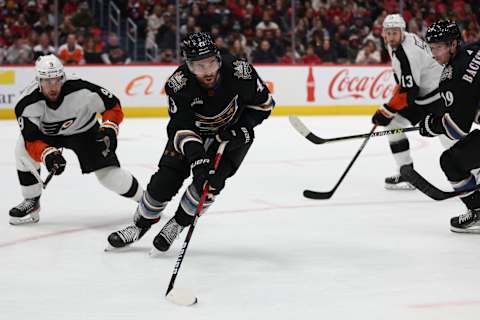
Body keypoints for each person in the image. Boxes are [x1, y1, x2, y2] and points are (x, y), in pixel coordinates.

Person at [107, 32, 274, 252]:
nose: (208, 72)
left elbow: (265, 105)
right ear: (188, 66)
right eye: (199, 67)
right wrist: (198, 159)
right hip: (191, 138)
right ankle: (139, 226)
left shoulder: (240, 72)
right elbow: (180, 127)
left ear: (218, 58)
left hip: (231, 137)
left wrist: (239, 129)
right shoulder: (179, 84)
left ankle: (177, 224)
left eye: (211, 63)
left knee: (209, 186)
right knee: (163, 183)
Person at [10, 54, 143, 225]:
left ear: (63, 77)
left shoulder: (81, 89)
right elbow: (31, 140)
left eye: (57, 80)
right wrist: (48, 154)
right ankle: (32, 201)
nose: (53, 86)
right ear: (38, 81)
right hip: (48, 137)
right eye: (47, 81)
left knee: (109, 177)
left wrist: (109, 127)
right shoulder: (27, 103)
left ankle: (145, 201)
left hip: (85, 132)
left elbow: (112, 105)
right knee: (21, 149)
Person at [371, 14, 450, 190]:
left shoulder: (408, 53)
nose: (391, 37)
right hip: (422, 96)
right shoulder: (397, 44)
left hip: (438, 97)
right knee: (393, 124)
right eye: (388, 33)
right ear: (384, 33)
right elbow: (405, 83)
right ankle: (406, 173)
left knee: (449, 138)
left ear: (402, 32)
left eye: (395, 33)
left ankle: (474, 175)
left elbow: (410, 92)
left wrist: (386, 110)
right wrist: (390, 109)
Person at [421, 20, 480, 233]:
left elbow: (457, 129)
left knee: (450, 161)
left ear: (453, 45)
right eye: (431, 47)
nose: (433, 54)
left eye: (438, 47)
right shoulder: (475, 49)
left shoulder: (453, 76)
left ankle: (477, 209)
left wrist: (431, 125)